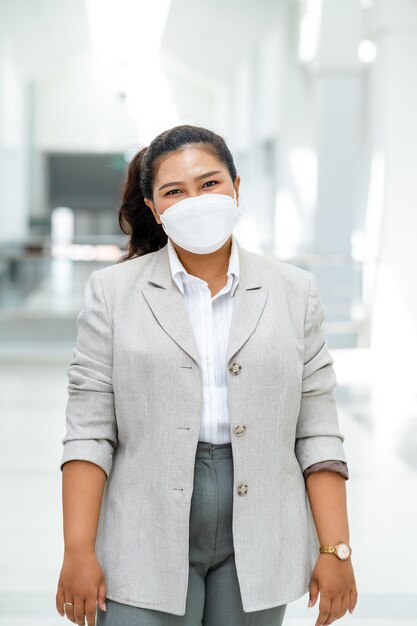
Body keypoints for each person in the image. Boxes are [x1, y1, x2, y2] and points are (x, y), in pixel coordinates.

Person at [56, 124, 358, 626]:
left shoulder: (294, 291)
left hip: (262, 530)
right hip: (142, 528)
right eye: (174, 191)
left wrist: (336, 548)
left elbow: (318, 431)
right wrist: (78, 549)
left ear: (237, 187)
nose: (195, 200)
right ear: (154, 208)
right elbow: (89, 433)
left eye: (210, 183)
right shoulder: (112, 293)